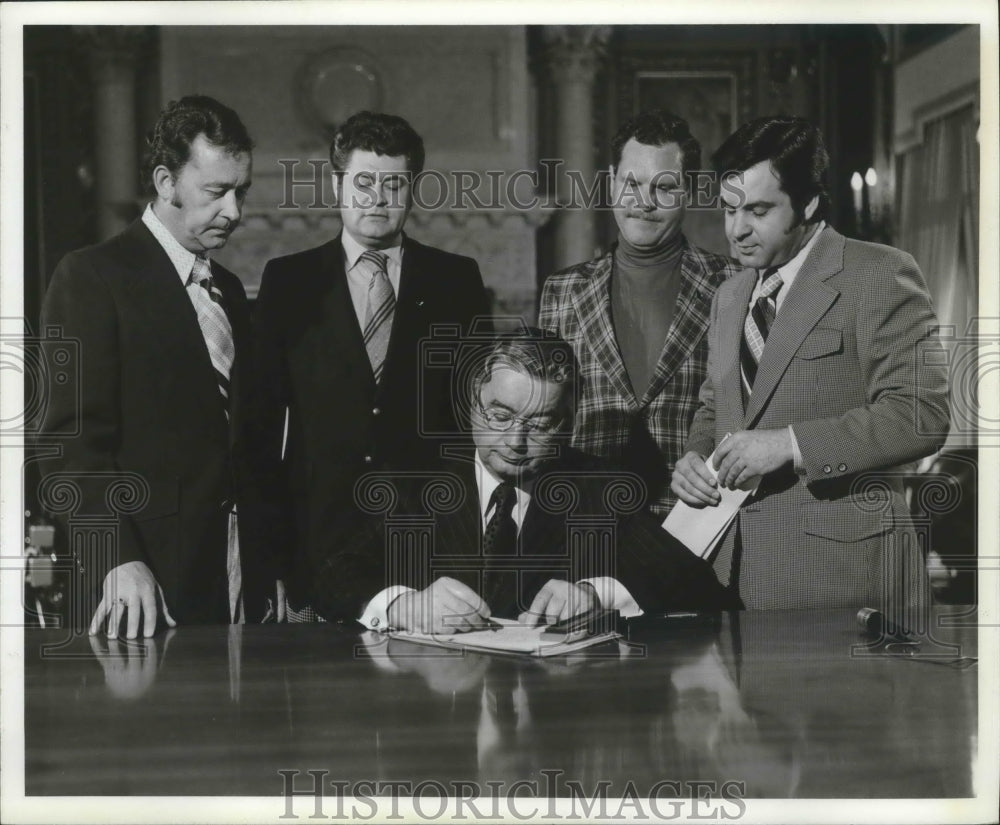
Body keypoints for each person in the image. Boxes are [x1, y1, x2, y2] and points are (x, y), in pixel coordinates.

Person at [670, 116, 950, 614]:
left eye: (758, 210)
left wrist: (789, 444)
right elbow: (715, 408)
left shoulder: (879, 273)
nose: (736, 230)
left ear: (810, 203)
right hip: (728, 578)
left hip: (843, 580)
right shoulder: (730, 295)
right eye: (729, 210)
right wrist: (694, 457)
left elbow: (920, 416)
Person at [304, 329, 734, 631]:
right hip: (432, 717)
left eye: (541, 424)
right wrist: (403, 606)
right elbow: (329, 575)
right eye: (501, 416)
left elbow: (690, 581)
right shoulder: (411, 482)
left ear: (568, 423)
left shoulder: (598, 490)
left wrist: (596, 596)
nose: (516, 441)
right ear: (473, 404)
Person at [40, 95, 272, 636]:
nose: (234, 211)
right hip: (138, 590)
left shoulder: (231, 292)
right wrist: (116, 558)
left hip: (237, 578)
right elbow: (68, 446)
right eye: (216, 192)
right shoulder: (91, 277)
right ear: (166, 181)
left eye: (241, 191)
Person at [253, 111, 491, 620]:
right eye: (363, 182)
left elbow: (474, 422)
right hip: (319, 545)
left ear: (413, 190)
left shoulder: (457, 282)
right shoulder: (289, 283)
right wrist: (269, 553)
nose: (377, 199)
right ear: (337, 184)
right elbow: (261, 426)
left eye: (393, 184)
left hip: (427, 541)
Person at [539, 109, 740, 517]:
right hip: (588, 522)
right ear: (612, 181)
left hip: (699, 522)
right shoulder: (562, 290)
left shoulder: (734, 284)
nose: (643, 203)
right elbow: (549, 420)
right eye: (631, 183)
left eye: (664, 188)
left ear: (690, 191)